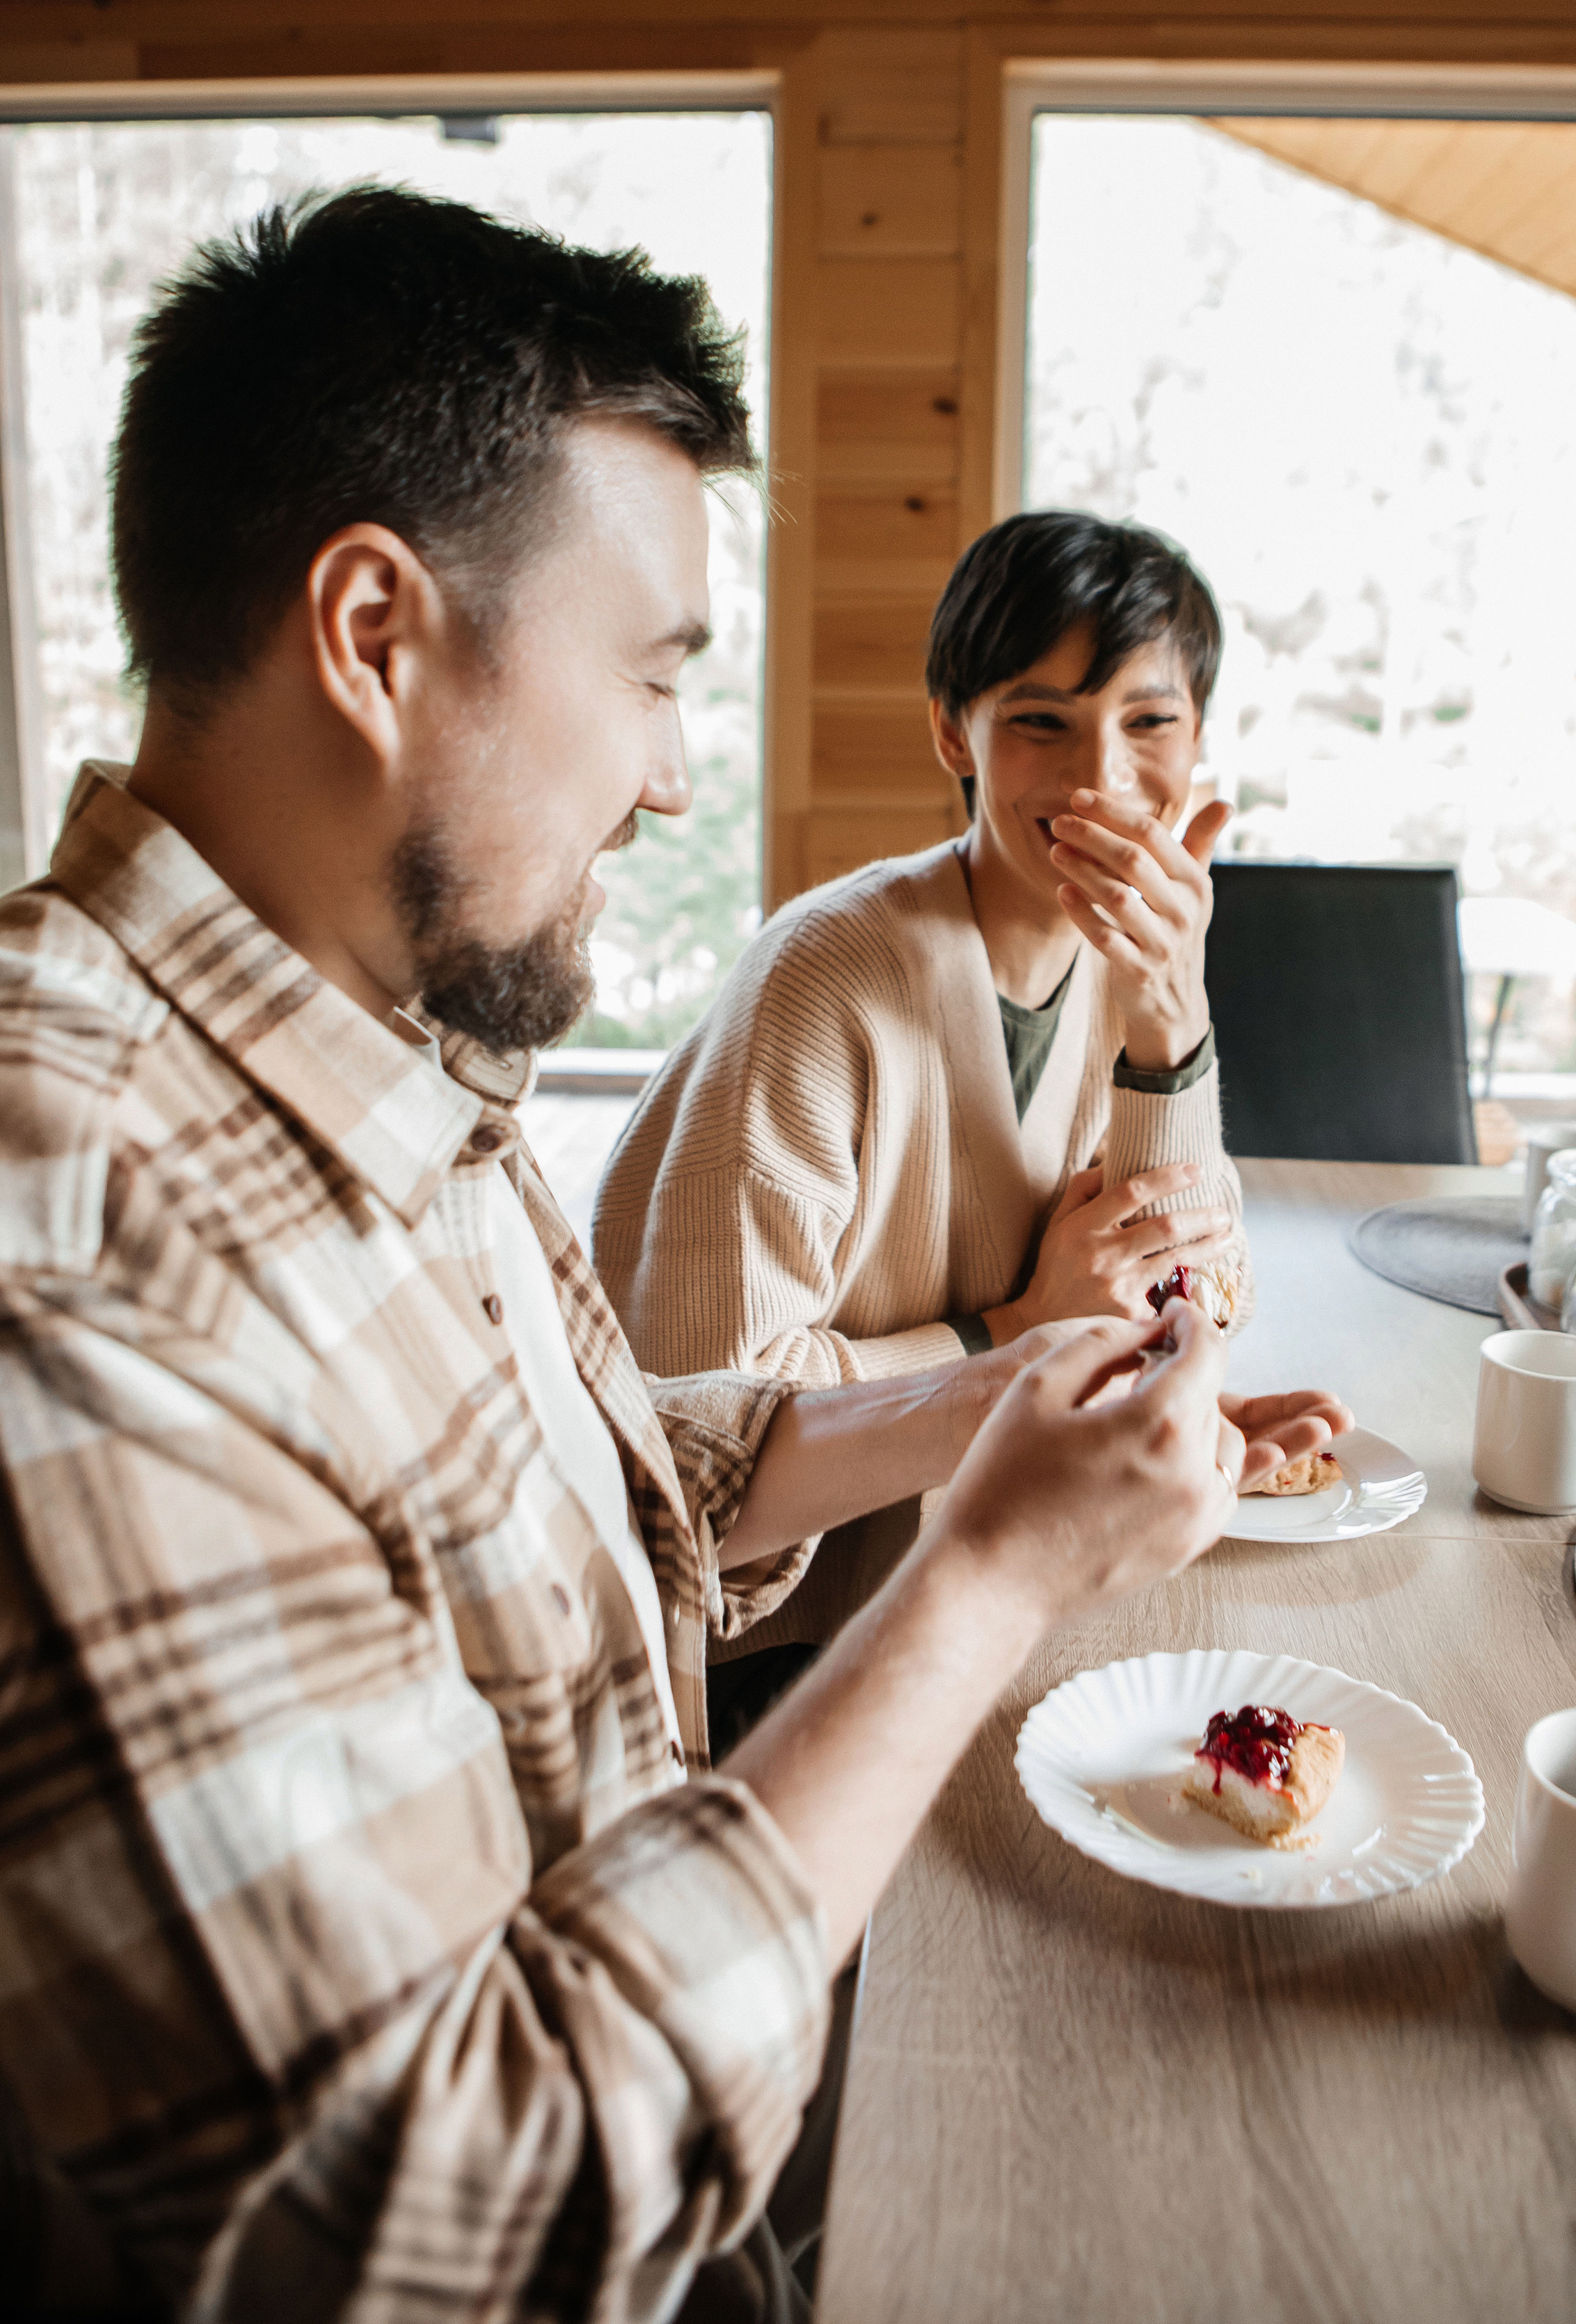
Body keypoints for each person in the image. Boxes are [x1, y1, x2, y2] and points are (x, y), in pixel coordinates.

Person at [0, 189, 1335, 2324]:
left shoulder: (384, 1042)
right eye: (648, 677)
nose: (675, 775)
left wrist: (993, 1404)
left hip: (685, 2001)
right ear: (374, 634)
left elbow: (628, 1476)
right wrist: (991, 1573)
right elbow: (465, 2227)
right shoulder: (70, 1262)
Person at [596, 512, 1344, 1659]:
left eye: (1150, 722)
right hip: (765, 1646)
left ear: (1198, 742)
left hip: (1001, 1570)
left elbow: (1194, 1288)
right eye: (1043, 724)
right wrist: (1012, 1333)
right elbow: (700, 1421)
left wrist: (1171, 1027)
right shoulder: (828, 976)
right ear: (955, 734)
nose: (1103, 777)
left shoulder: (1135, 973)